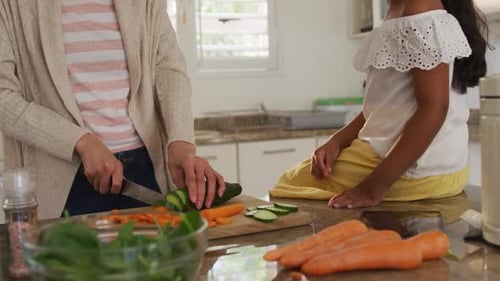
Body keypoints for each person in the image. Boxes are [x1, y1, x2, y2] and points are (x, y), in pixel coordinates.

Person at [0, 0, 225, 219]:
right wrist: (81, 141)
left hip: (147, 172)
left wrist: (181, 145)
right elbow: (3, 97)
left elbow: (169, 68)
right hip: (62, 182)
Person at [270, 0, 488, 208]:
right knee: (293, 182)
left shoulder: (418, 8)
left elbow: (433, 110)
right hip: (440, 171)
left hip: (417, 174)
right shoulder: (401, 9)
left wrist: (372, 189)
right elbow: (381, 107)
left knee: (288, 185)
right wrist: (337, 141)